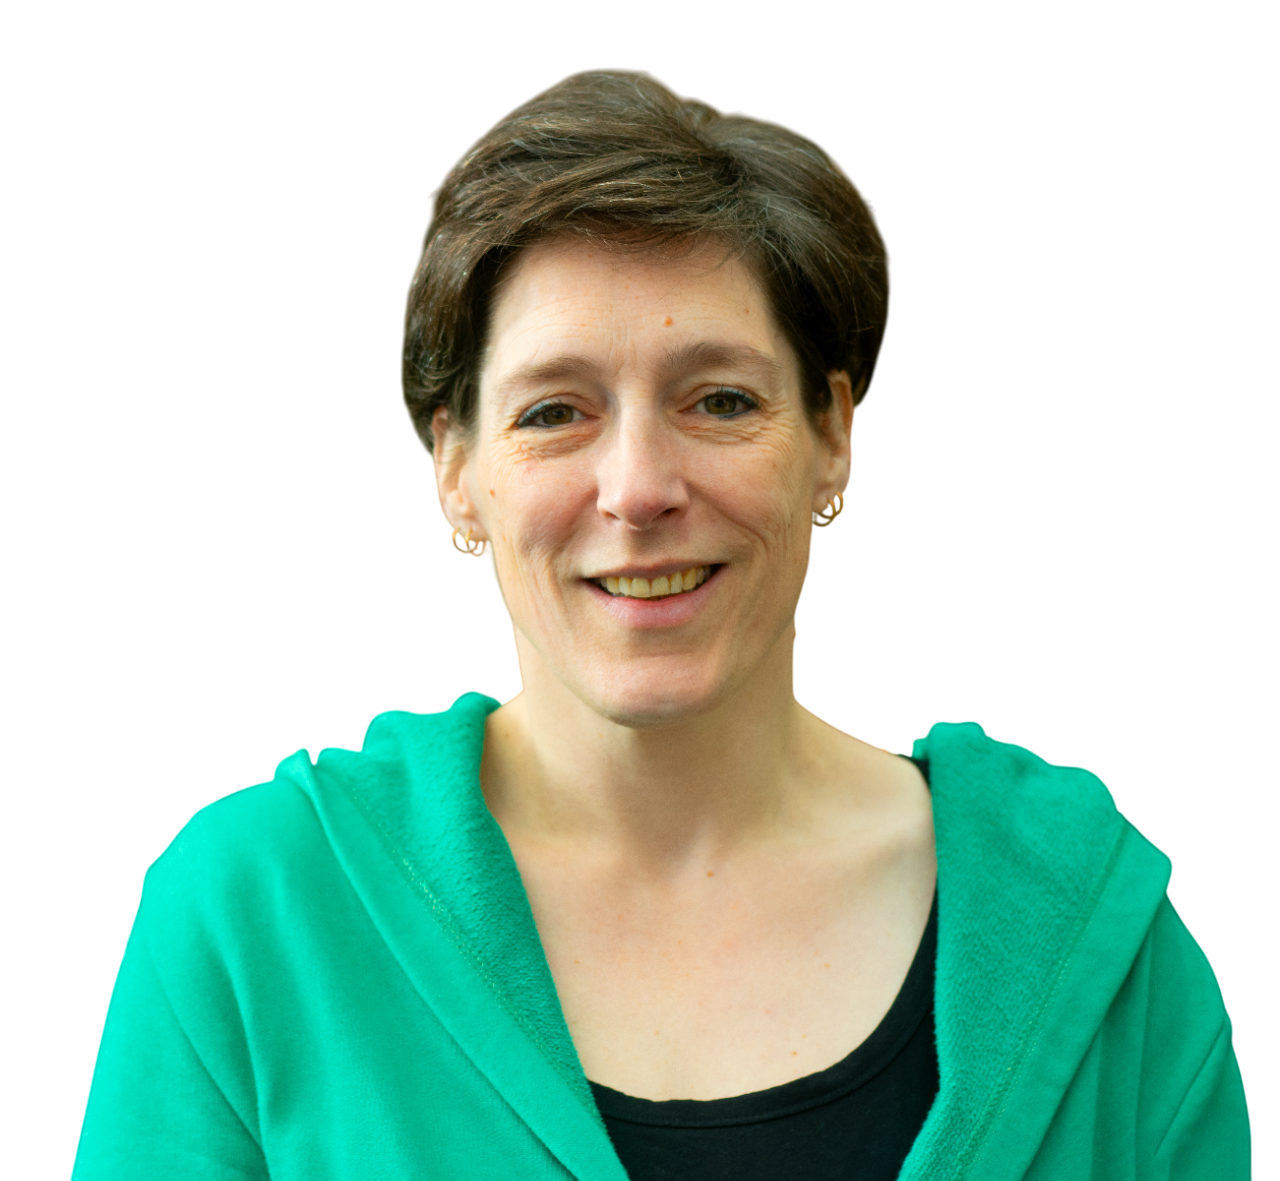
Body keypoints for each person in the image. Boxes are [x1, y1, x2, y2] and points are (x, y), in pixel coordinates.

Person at [73, 68, 1250, 1180]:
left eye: (719, 399)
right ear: (454, 469)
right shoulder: (250, 916)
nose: (637, 488)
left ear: (832, 437)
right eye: (554, 411)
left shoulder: (1100, 942)